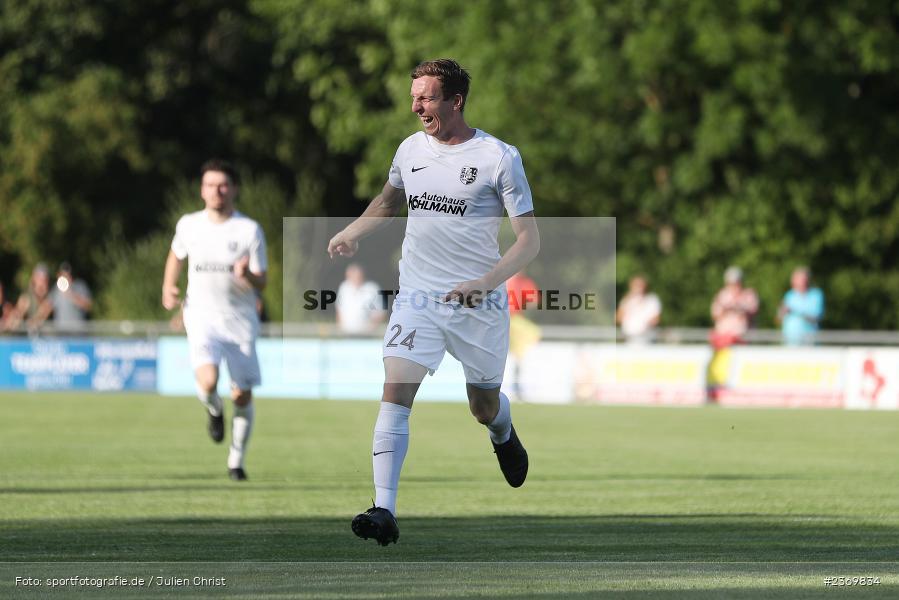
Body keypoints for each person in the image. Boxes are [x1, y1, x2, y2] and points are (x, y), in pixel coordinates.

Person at [327, 59, 540, 546]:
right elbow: (388, 201)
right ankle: (384, 510)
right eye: (414, 96)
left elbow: (529, 241)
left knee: (483, 406)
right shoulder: (409, 150)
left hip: (478, 305)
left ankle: (503, 432)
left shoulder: (499, 157)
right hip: (418, 298)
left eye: (426, 97)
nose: (417, 106)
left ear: (455, 101)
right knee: (395, 391)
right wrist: (352, 231)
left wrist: (485, 283)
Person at [162, 159, 268, 481]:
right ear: (202, 190)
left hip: (240, 320)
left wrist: (247, 273)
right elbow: (176, 255)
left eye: (222, 185)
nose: (216, 191)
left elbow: (262, 281)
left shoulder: (249, 230)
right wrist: (168, 286)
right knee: (207, 381)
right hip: (201, 315)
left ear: (234, 189)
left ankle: (236, 461)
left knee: (242, 395)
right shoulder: (189, 224)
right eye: (210, 185)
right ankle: (213, 409)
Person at [505, 270, 542, 402]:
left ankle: (515, 388)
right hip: (509, 319)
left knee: (518, 357)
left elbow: (534, 300)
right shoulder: (508, 281)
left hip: (512, 320)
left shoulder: (520, 282)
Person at [709, 266, 758, 348]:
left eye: (737, 282)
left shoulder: (749, 295)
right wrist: (727, 310)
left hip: (743, 338)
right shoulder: (722, 295)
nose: (735, 285)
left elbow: (753, 313)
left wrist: (740, 309)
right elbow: (715, 315)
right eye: (732, 283)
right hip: (723, 339)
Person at [778, 266, 824, 345]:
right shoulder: (789, 295)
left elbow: (816, 318)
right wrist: (782, 311)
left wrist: (795, 311)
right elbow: (779, 318)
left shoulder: (816, 295)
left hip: (809, 342)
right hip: (790, 343)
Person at [336, 263, 385, 334]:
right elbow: (339, 310)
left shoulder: (372, 288)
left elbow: (380, 312)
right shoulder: (344, 287)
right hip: (346, 334)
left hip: (366, 335)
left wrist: (371, 329)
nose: (354, 277)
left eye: (356, 275)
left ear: (362, 275)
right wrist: (339, 330)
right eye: (350, 275)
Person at [6, 264, 54, 333]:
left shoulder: (50, 298)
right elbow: (15, 318)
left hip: (48, 339)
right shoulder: (26, 297)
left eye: (44, 279)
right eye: (39, 278)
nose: (42, 281)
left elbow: (41, 316)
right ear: (34, 278)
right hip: (29, 339)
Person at [616, 275, 661, 343]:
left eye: (640, 285)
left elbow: (656, 319)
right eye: (636, 285)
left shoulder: (652, 300)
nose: (638, 287)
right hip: (629, 338)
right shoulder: (626, 300)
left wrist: (642, 326)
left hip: (646, 339)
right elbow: (618, 318)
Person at [50, 261, 93, 332]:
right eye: (63, 274)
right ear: (59, 275)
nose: (66, 277)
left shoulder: (80, 286)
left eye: (68, 274)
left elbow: (88, 306)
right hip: (61, 333)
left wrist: (71, 295)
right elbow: (47, 307)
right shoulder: (56, 289)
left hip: (78, 332)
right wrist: (37, 319)